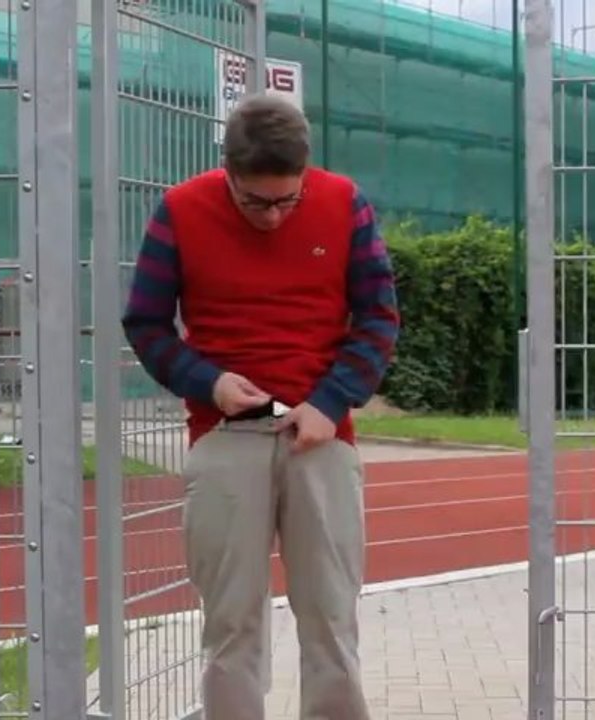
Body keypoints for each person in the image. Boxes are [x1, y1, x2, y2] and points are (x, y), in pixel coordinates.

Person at [121, 92, 400, 719]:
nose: (273, 216)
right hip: (226, 432)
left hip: (320, 435)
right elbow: (145, 323)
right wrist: (208, 381)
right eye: (255, 202)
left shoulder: (344, 203)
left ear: (306, 175)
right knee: (231, 624)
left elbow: (379, 316)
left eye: (287, 200)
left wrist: (331, 400)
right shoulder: (181, 210)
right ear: (227, 171)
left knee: (331, 619)